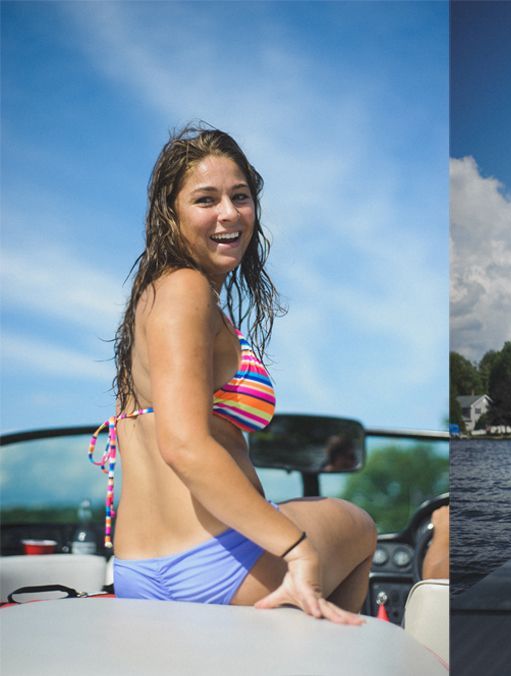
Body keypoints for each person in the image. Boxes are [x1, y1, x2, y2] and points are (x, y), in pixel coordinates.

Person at [89, 126, 376, 623]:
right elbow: (182, 444)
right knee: (360, 526)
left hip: (138, 572)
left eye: (240, 197)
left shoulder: (154, 297)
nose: (229, 214)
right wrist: (296, 549)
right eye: (206, 199)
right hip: (215, 568)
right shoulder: (184, 290)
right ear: (170, 212)